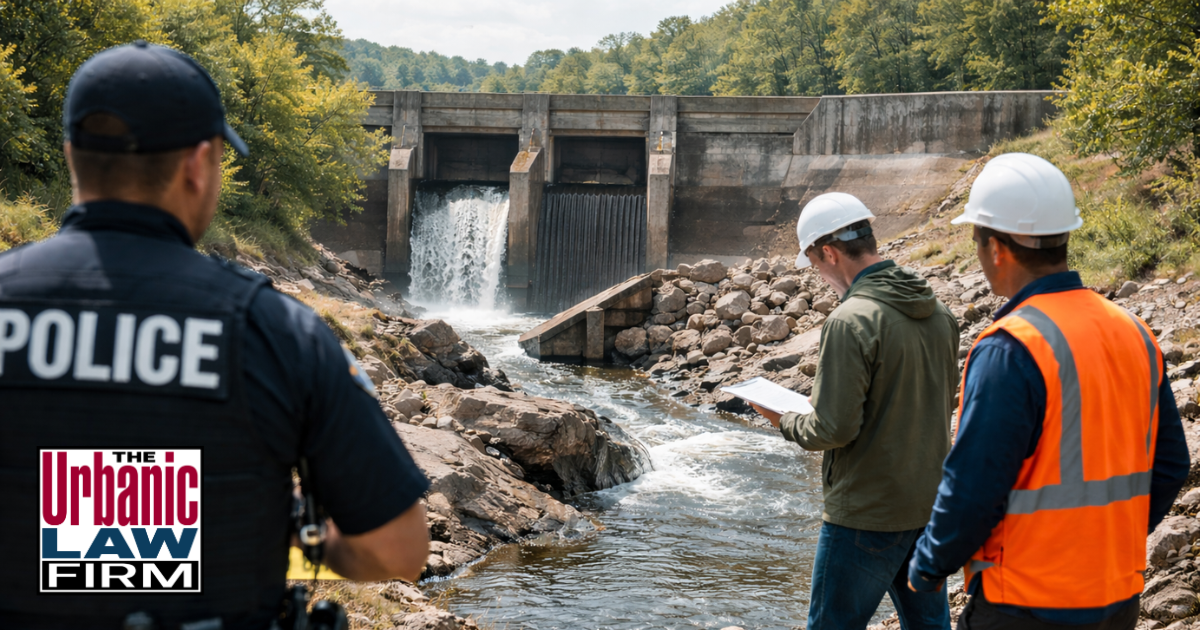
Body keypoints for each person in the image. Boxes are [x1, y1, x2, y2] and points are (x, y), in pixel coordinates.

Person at [0, 42, 431, 629]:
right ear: (197, 165)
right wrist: (295, 541)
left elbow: (86, 531)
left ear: (73, 153)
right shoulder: (276, 331)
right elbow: (398, 550)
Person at [906, 153, 1191, 629]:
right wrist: (1110, 544)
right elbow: (1170, 465)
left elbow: (975, 486)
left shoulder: (1011, 347)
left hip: (1025, 600)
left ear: (996, 248)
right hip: (1117, 596)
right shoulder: (1134, 331)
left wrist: (930, 564)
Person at [752, 192, 960, 630]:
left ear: (828, 252)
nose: (817, 274)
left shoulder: (850, 321)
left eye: (813, 263)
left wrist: (782, 418)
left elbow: (833, 428)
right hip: (927, 506)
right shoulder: (939, 313)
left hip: (865, 516)